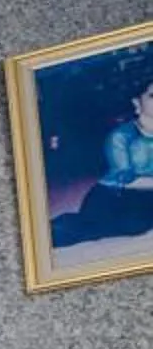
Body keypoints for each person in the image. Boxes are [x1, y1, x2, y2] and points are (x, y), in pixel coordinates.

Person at [51, 77, 153, 248]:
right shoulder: (121, 136)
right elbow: (125, 177)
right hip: (117, 197)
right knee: (126, 226)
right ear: (137, 102)